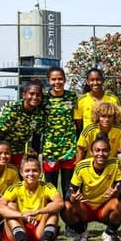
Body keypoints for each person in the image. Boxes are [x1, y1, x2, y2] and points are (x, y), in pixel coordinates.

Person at [63, 133, 121, 241]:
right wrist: (73, 198)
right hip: (86, 208)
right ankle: (82, 234)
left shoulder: (115, 164)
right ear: (92, 152)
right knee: (66, 207)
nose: (101, 154)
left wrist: (116, 194)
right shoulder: (82, 166)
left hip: (104, 208)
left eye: (104, 150)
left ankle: (108, 234)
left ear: (110, 151)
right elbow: (70, 193)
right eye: (97, 150)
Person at [0, 154, 63, 241]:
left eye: (34, 170)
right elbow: (0, 208)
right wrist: (22, 215)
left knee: (52, 208)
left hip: (39, 230)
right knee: (10, 206)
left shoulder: (47, 186)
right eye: (27, 171)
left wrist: (38, 211)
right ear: (21, 173)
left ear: (40, 172)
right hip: (19, 230)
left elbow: (60, 203)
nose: (31, 174)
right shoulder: (15, 187)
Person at [0, 79, 45, 167]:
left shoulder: (40, 114)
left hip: (17, 150)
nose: (34, 97)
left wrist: (35, 159)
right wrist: (3, 155)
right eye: (31, 94)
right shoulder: (13, 109)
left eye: (38, 95)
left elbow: (36, 138)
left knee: (18, 179)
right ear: (24, 95)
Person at [42, 66, 79, 195]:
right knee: (50, 189)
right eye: (53, 79)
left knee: (68, 190)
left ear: (64, 80)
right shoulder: (43, 99)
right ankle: (50, 214)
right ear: (48, 80)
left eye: (60, 79)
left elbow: (78, 121)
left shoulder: (72, 97)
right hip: (50, 149)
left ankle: (66, 214)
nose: (57, 82)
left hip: (69, 149)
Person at [74, 67, 121, 133]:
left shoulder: (113, 99)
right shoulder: (81, 100)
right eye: (92, 80)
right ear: (87, 82)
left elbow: (118, 121)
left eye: (98, 79)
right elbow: (78, 124)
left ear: (103, 80)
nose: (95, 83)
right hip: (90, 139)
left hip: (109, 139)